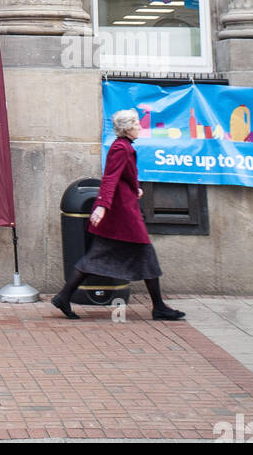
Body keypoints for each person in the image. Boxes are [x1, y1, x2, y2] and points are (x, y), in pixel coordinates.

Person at [52, 108, 185, 322]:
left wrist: (134, 189)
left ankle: (64, 296)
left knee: (101, 258)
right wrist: (102, 206)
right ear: (127, 128)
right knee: (143, 254)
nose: (140, 127)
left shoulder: (123, 147)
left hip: (123, 210)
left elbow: (123, 177)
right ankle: (158, 307)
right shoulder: (121, 148)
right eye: (137, 124)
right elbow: (110, 178)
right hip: (122, 214)